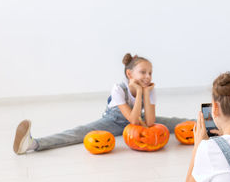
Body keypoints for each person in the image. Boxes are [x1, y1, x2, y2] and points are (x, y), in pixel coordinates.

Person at [13, 53, 189, 154]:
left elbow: (149, 123)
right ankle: (33, 144)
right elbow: (133, 121)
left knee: (174, 123)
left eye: (150, 73)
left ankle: (211, 123)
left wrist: (144, 92)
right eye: (143, 72)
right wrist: (142, 94)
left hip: (139, 119)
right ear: (129, 74)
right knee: (78, 133)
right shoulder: (118, 88)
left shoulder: (149, 88)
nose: (148, 77)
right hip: (113, 121)